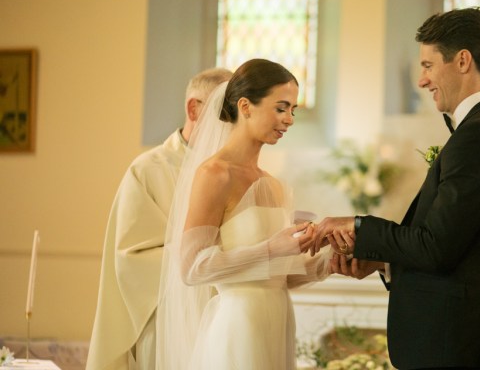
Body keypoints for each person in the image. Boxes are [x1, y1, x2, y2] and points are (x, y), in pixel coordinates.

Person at [312, 7, 480, 370]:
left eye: (429, 65)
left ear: (462, 60)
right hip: (455, 340)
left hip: (455, 344)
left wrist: (356, 225)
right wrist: (383, 262)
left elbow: (436, 247)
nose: (422, 80)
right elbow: (455, 246)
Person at [155, 58, 332, 369]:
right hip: (238, 326)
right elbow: (192, 268)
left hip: (276, 323)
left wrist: (330, 264)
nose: (289, 119)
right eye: (281, 108)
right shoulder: (214, 174)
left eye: (293, 110)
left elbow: (275, 277)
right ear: (246, 106)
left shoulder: (273, 185)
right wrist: (272, 248)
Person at [86, 68, 233, 370]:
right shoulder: (148, 170)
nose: (233, 123)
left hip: (225, 320)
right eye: (226, 110)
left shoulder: (237, 172)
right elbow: (132, 259)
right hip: (167, 324)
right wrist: (214, 251)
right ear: (194, 108)